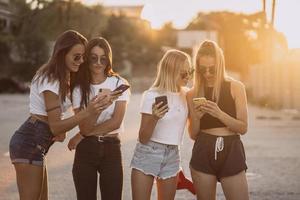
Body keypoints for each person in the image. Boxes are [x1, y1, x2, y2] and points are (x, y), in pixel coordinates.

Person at [9, 30, 110, 200]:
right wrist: (89, 111)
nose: (81, 61)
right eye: (76, 56)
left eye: (83, 57)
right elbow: (54, 126)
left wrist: (62, 126)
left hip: (37, 144)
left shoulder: (63, 77)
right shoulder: (51, 78)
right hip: (29, 143)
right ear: (62, 53)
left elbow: (54, 120)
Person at [67, 37, 130, 200]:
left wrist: (80, 135)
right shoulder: (79, 88)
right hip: (86, 150)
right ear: (87, 58)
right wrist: (96, 107)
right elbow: (85, 128)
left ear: (108, 60)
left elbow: (116, 122)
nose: (98, 63)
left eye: (103, 58)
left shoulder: (119, 83)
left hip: (112, 148)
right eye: (94, 58)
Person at [187, 40, 249, 200]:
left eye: (212, 69)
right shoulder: (192, 93)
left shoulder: (236, 87)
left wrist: (219, 114)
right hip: (203, 148)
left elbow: (242, 128)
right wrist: (196, 117)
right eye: (202, 69)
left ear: (220, 65)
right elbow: (193, 135)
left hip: (231, 148)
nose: (207, 74)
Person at [131, 49, 193, 200]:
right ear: (171, 71)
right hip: (147, 153)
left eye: (190, 72)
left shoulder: (187, 95)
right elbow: (143, 137)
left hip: (173, 155)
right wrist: (154, 117)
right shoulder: (151, 95)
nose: (188, 77)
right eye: (184, 74)